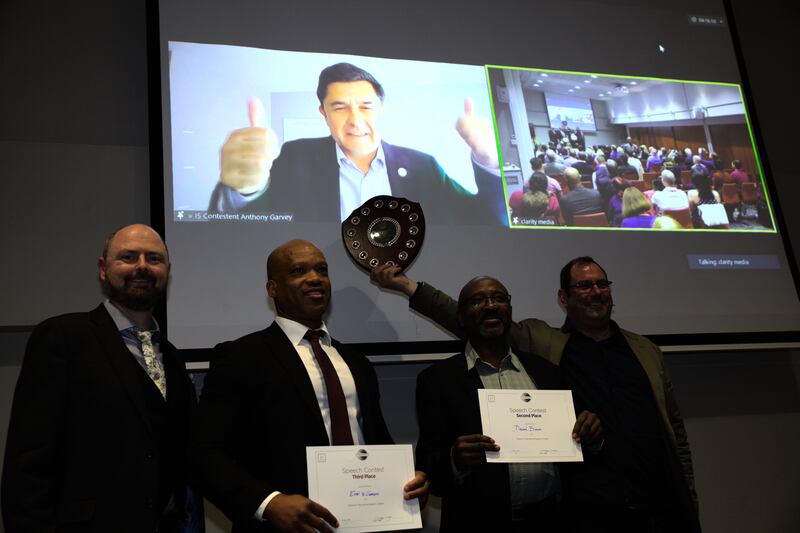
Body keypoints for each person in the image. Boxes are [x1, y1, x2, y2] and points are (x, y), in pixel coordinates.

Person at [370, 258, 701, 533]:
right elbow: (474, 317)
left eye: (602, 284)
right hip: (593, 509)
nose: (595, 292)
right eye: (583, 286)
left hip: (657, 503)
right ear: (563, 298)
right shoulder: (548, 346)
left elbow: (673, 429)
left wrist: (688, 495)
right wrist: (408, 286)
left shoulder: (645, 350)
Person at [192, 239, 428, 532]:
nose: (315, 278)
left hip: (366, 522)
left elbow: (377, 441)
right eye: (298, 270)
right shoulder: (240, 357)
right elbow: (206, 454)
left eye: (322, 270)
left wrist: (407, 479)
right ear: (272, 289)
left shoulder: (356, 362)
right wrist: (268, 503)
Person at [2, 224, 202, 533]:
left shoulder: (173, 357)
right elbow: (28, 462)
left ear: (167, 271)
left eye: (154, 258)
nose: (142, 267)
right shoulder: (62, 338)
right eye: (128, 257)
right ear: (103, 269)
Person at [207, 62, 505, 225]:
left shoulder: (423, 165)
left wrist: (489, 161)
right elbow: (253, 219)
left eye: (365, 106)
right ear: (323, 114)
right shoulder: (295, 156)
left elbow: (484, 220)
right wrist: (243, 189)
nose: (355, 120)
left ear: (381, 110)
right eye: (339, 107)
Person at [415, 276, 602, 532]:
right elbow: (428, 468)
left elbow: (579, 447)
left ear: (510, 311)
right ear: (460, 316)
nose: (491, 306)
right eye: (478, 300)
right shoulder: (437, 380)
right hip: (476, 523)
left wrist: (592, 436)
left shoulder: (548, 372)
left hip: (550, 520)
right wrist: (454, 458)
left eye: (499, 298)